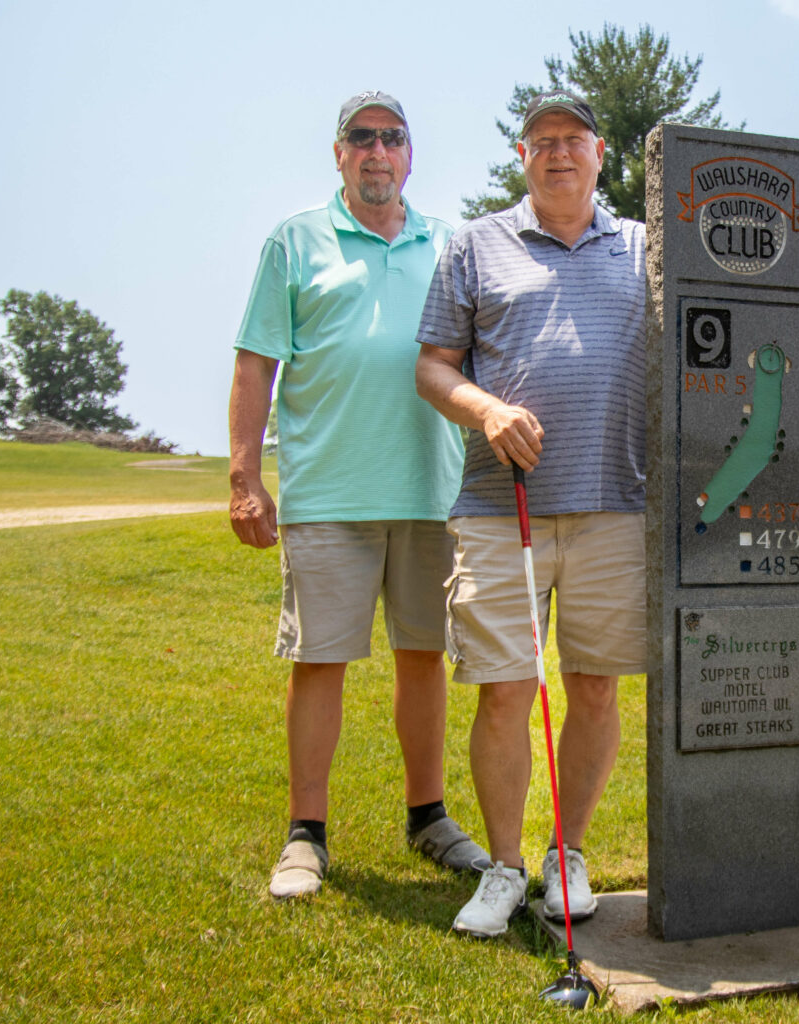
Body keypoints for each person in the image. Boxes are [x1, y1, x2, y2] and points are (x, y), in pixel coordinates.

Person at [228, 91, 488, 900]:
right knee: (319, 661)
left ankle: (429, 817)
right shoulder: (295, 241)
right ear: (339, 153)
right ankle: (305, 834)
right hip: (328, 492)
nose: (378, 151)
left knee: (423, 659)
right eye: (362, 137)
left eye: (392, 138)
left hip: (431, 489)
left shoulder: (449, 243)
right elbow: (255, 362)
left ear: (410, 154)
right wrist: (244, 476)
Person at [414, 90, 648, 939]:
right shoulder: (476, 244)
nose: (558, 152)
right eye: (541, 140)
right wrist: (484, 410)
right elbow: (433, 367)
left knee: (594, 687)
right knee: (507, 689)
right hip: (497, 507)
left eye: (573, 139)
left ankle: (567, 854)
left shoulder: (645, 248)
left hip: (616, 502)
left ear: (600, 153)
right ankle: (506, 866)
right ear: (523, 157)